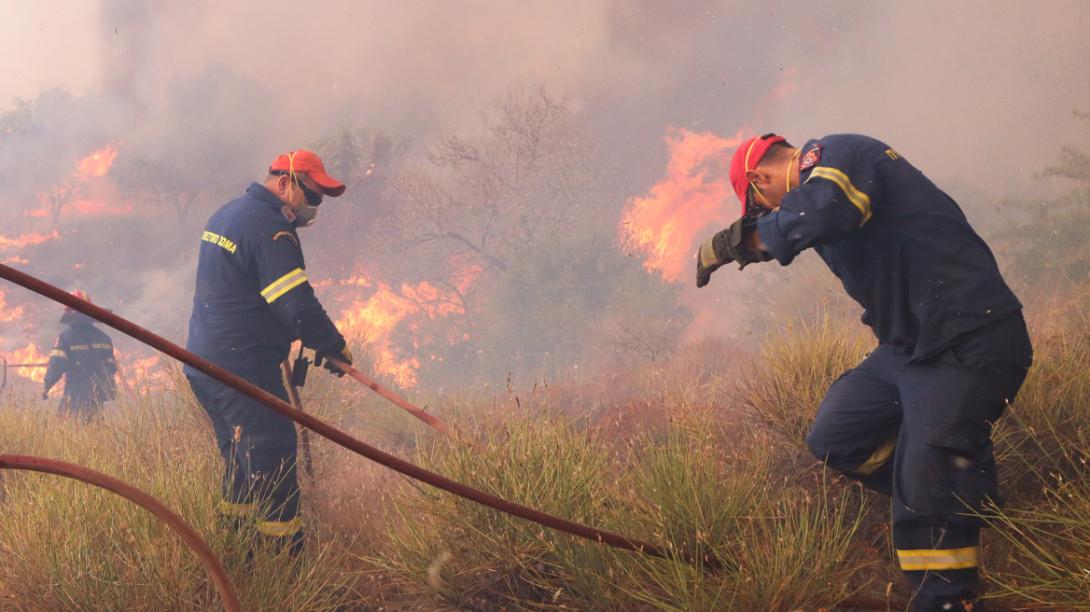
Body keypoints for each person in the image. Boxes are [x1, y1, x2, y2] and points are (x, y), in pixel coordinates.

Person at [696, 133, 1032, 611]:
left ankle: (946, 598)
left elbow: (825, 209)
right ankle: (959, 493)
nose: (767, 218)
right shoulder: (814, 199)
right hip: (909, 350)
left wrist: (740, 241)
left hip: (969, 339)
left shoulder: (839, 157)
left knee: (923, 477)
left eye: (760, 207)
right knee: (837, 436)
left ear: (759, 179)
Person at [184, 149, 354, 556]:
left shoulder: (227, 215)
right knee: (274, 457)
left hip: (205, 366)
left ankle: (236, 560)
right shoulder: (270, 228)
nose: (315, 208)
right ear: (284, 183)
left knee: (242, 462)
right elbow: (294, 302)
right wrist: (334, 346)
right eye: (311, 196)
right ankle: (284, 571)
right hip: (242, 370)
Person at [42, 289, 118, 422]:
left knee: (65, 426)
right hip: (97, 393)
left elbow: (56, 365)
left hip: (75, 390)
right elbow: (111, 367)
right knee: (94, 426)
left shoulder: (65, 338)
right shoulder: (104, 338)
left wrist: (47, 385)